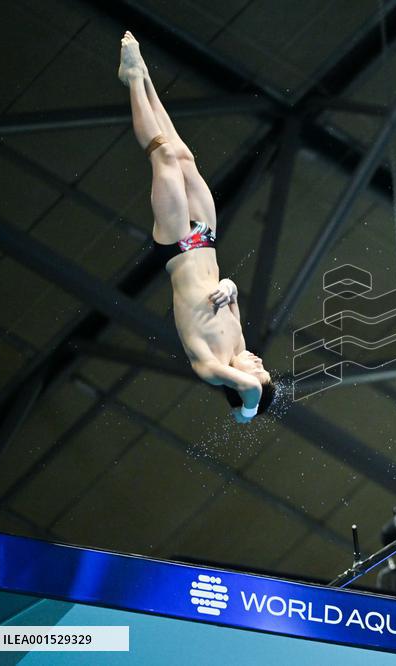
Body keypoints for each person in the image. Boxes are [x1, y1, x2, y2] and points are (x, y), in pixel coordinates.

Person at [119, 32, 275, 423]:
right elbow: (233, 296)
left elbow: (253, 390)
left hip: (176, 246)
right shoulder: (238, 342)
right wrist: (229, 287)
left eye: (257, 368)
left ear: (240, 385)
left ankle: (133, 79)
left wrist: (248, 413)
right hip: (206, 240)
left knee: (165, 157)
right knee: (184, 156)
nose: (257, 361)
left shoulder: (209, 369)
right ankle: (145, 76)